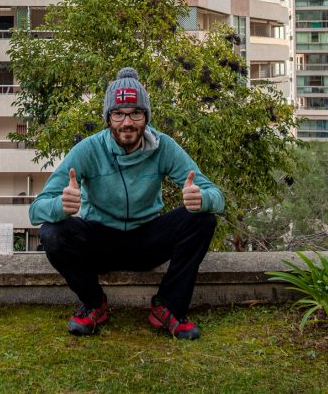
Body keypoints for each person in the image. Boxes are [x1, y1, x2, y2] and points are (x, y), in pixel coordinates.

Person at [29, 67, 224, 340]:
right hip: (100, 240)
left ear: (146, 117)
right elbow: (36, 209)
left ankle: (168, 307)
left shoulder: (163, 146)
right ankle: (94, 303)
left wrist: (202, 199)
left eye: (135, 113)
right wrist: (60, 207)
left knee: (202, 218)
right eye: (118, 114)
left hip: (147, 239)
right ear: (108, 118)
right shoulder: (88, 149)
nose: (127, 122)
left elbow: (217, 197)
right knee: (52, 232)